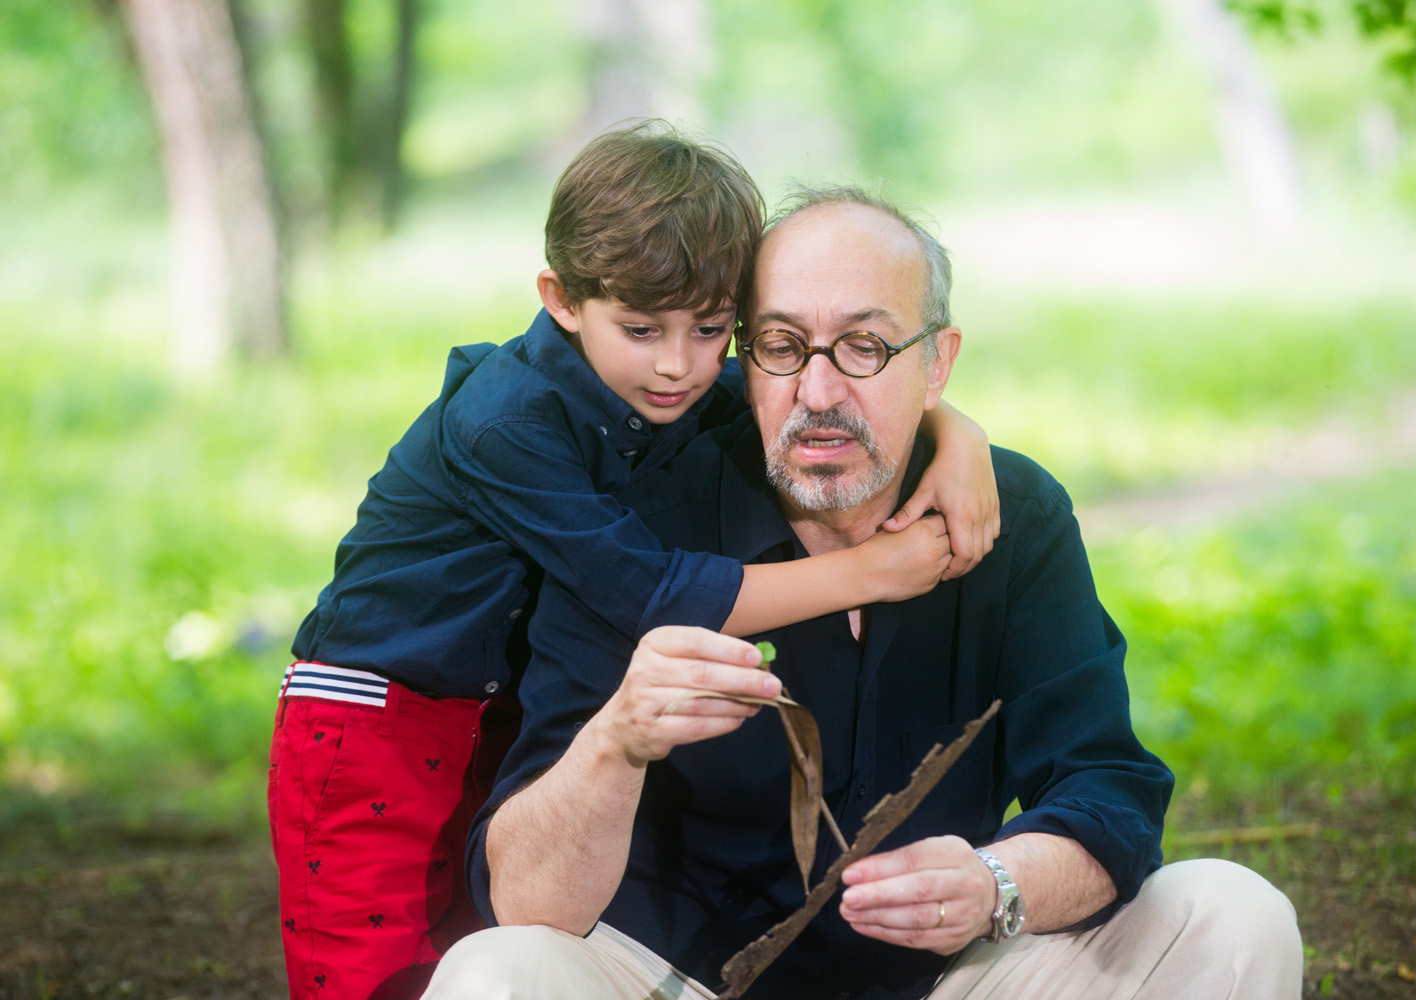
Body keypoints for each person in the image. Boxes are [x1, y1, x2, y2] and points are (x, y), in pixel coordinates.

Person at [425, 186, 1305, 1000]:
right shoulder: (632, 524)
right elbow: (526, 900)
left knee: (1231, 913)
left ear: (937, 366)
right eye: (779, 345)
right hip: (673, 981)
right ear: (744, 359)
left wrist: (996, 883)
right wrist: (616, 741)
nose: (816, 390)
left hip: (942, 983)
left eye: (865, 347)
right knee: (495, 972)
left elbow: (1106, 788)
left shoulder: (1014, 516)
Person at [269, 127, 1001, 1000]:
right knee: (375, 971)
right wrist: (878, 572)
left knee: (478, 940)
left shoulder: (667, 383)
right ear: (562, 299)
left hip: (498, 711)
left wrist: (959, 432)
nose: (678, 365)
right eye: (642, 327)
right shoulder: (507, 421)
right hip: (379, 718)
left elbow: (819, 401)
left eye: (711, 329)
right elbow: (649, 595)